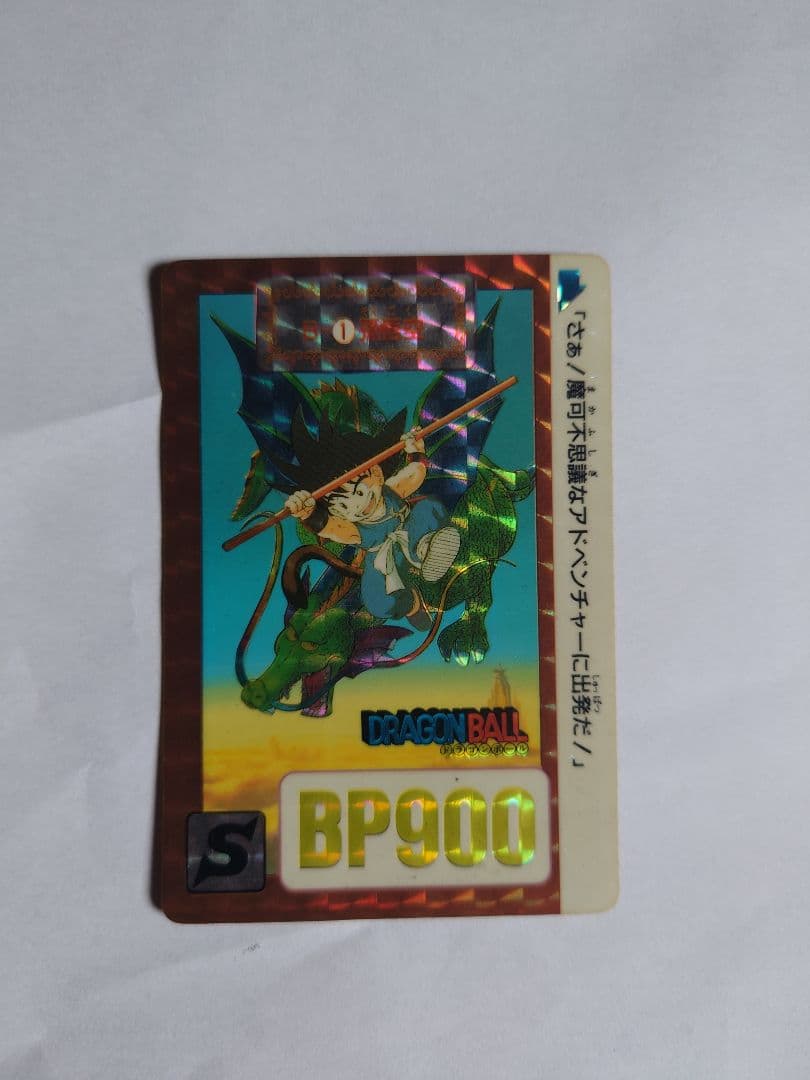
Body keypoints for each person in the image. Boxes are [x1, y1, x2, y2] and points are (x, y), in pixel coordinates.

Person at [276, 408, 460, 626]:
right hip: (384, 559)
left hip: (414, 533)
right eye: (342, 505)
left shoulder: (390, 491)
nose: (357, 505)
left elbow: (414, 475)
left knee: (428, 508)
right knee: (377, 602)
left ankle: (426, 549)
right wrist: (308, 514)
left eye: (358, 489)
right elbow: (332, 528)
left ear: (377, 472)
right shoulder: (355, 530)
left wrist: (416, 452)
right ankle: (412, 604)